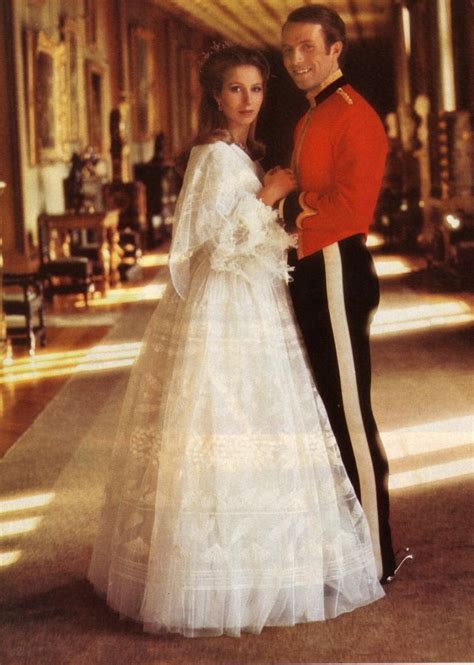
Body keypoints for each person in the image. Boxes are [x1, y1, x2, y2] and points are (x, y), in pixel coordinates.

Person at [88, 43, 384, 638]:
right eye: (234, 90)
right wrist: (268, 197)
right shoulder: (213, 154)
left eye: (255, 89)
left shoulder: (242, 153)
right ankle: (215, 575)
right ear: (214, 96)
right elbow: (212, 245)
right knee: (227, 421)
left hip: (255, 300)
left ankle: (268, 562)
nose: (247, 100)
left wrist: (271, 200)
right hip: (224, 308)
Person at [278, 4, 400, 582]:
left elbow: (351, 211)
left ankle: (375, 559)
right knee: (326, 412)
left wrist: (282, 205)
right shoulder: (310, 117)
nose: (297, 59)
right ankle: (348, 547)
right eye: (288, 50)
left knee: (350, 416)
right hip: (311, 271)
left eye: (308, 48)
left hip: (336, 271)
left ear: (335, 50)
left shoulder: (355, 115)